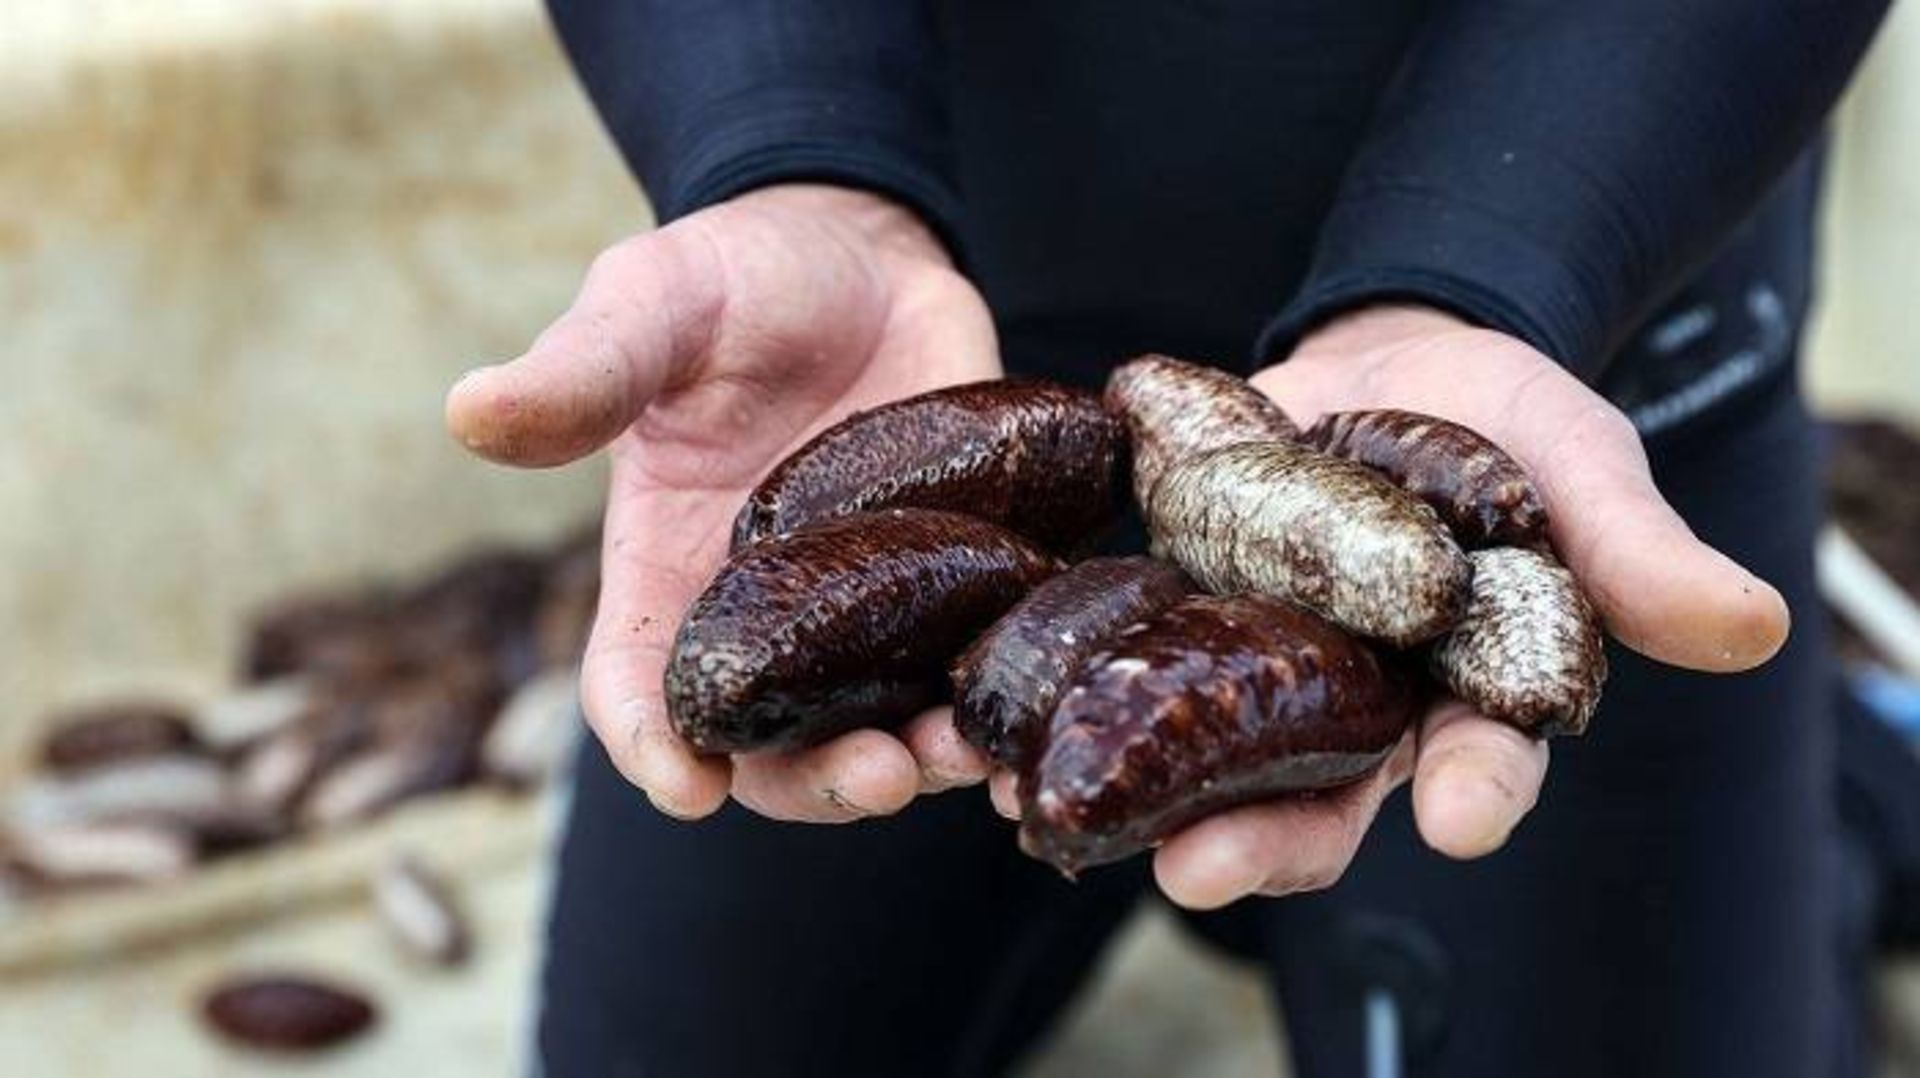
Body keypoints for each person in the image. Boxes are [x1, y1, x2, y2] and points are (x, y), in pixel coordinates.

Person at [443, 3, 1891, 1075]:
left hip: (1564, 333)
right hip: (925, 344)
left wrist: (1489, 268)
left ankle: (1847, 818)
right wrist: (779, 148)